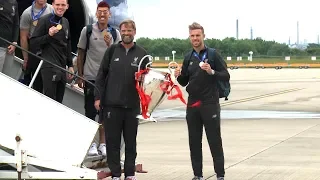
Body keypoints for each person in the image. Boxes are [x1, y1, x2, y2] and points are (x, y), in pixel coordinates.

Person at [174, 22, 230, 180]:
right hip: (193, 103)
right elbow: (184, 82)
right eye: (192, 36)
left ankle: (220, 175)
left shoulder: (213, 54)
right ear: (189, 37)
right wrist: (179, 75)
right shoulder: (188, 57)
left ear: (203, 36)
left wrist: (212, 71)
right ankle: (197, 175)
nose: (195, 38)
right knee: (194, 141)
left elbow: (226, 75)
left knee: (214, 140)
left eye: (198, 35)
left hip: (210, 102)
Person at [94, 19, 149, 180]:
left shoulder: (142, 53)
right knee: (113, 143)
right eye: (123, 31)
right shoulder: (112, 51)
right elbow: (101, 76)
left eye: (129, 31)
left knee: (131, 142)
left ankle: (130, 174)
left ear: (134, 32)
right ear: (120, 32)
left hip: (132, 106)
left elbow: (148, 81)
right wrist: (98, 98)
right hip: (112, 105)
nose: (126, 33)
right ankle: (116, 174)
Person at [76, 1, 121, 157]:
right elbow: (81, 53)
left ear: (109, 14)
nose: (102, 14)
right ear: (96, 14)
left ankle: (102, 143)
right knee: (89, 112)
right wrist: (80, 75)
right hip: (90, 77)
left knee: (105, 113)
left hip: (108, 79)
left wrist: (110, 45)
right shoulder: (87, 31)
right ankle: (91, 144)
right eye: (100, 11)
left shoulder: (115, 34)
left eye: (105, 12)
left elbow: (117, 57)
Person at [30, 0, 74, 103]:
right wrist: (48, 36)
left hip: (62, 68)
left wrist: (70, 65)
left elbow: (68, 44)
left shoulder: (66, 22)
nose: (60, 7)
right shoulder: (45, 20)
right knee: (49, 101)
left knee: (59, 103)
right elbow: (33, 42)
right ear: (53, 5)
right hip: (49, 65)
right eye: (57, 4)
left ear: (67, 6)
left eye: (63, 5)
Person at [20, 0, 53, 93]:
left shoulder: (52, 9)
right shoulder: (27, 13)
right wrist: (26, 58)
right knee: (34, 82)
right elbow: (23, 38)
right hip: (34, 50)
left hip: (48, 50)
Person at [0, 0, 19, 75]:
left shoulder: (14, 2)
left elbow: (16, 23)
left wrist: (14, 42)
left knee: (7, 77)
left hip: (10, 46)